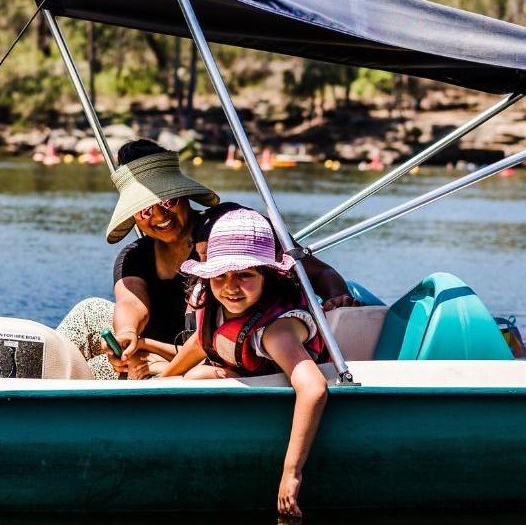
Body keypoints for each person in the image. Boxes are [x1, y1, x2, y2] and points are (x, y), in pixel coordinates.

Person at [56, 139, 355, 380]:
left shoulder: (229, 232)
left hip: (201, 357)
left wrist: (337, 296)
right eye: (146, 210)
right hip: (161, 352)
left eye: (167, 202)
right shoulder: (136, 255)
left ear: (184, 195)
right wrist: (126, 335)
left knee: (91, 371)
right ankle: (16, 388)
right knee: (88, 315)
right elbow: (131, 303)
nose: (160, 216)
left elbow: (317, 272)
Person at [157, 208, 329, 518]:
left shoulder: (276, 332)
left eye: (245, 275)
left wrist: (291, 473)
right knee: (191, 377)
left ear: (268, 276)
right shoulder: (218, 302)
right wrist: (157, 384)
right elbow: (203, 340)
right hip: (243, 369)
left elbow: (314, 388)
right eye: (220, 275)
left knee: (197, 378)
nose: (230, 287)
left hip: (276, 386)